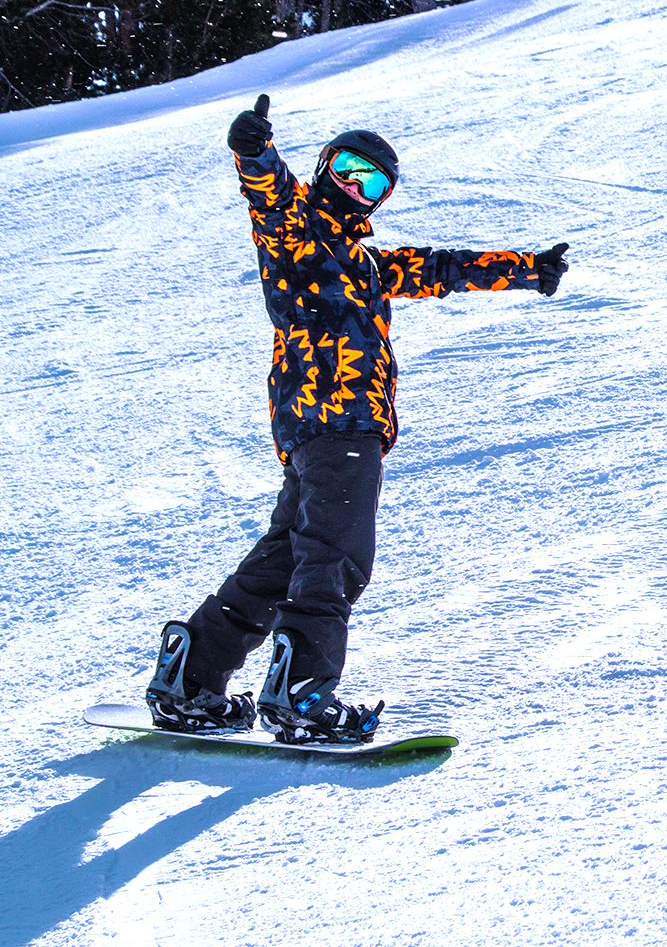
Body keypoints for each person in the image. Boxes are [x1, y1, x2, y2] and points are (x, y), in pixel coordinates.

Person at [145, 94, 569, 744]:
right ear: (322, 168)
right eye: (346, 167)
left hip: (322, 431)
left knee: (286, 559)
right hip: (337, 422)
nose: (354, 185)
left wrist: (527, 271)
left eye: (371, 181)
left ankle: (193, 671)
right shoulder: (294, 228)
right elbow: (270, 193)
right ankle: (302, 689)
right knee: (338, 553)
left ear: (379, 200)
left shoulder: (367, 265)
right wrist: (255, 151)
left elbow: (442, 267)